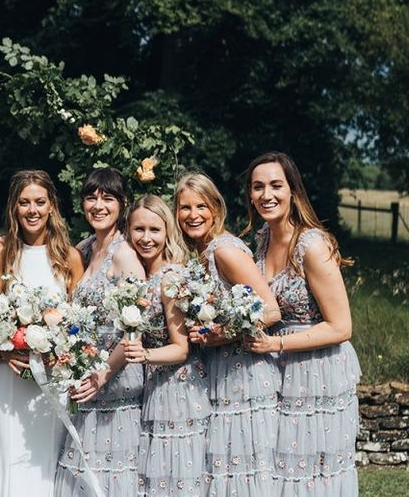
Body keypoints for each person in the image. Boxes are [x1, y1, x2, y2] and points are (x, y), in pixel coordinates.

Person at [243, 152, 360, 495]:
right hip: (275, 371)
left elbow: (341, 327)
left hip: (316, 371)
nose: (267, 195)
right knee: (280, 472)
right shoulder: (261, 239)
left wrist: (276, 344)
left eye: (276, 186)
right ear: (250, 195)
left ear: (293, 191)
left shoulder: (311, 244)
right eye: (258, 187)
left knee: (312, 474)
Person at [175, 172, 281, 495]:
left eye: (201, 206)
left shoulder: (224, 250)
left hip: (246, 374)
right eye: (184, 208)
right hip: (221, 375)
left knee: (247, 469)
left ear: (216, 208)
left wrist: (221, 334)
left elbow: (271, 310)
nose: (193, 215)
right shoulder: (198, 254)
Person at [0, 170, 84, 496]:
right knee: (11, 458)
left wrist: (59, 352)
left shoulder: (69, 257)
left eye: (39, 202)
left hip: (53, 379)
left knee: (45, 463)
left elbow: (79, 324)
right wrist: (3, 349)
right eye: (24, 203)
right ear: (14, 208)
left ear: (52, 206)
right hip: (10, 378)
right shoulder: (1, 254)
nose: (32, 210)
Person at [54, 167, 145, 496]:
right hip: (85, 380)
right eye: (91, 197)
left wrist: (105, 373)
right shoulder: (85, 248)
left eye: (108, 198)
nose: (98, 205)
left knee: (110, 479)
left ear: (123, 204)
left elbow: (135, 330)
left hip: (114, 381)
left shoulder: (125, 256)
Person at [122, 195, 210, 496]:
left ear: (167, 232)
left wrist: (145, 354)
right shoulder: (139, 275)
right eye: (139, 230)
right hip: (154, 384)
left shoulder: (168, 278)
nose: (146, 238)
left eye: (154, 230)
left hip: (177, 385)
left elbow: (182, 347)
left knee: (175, 473)